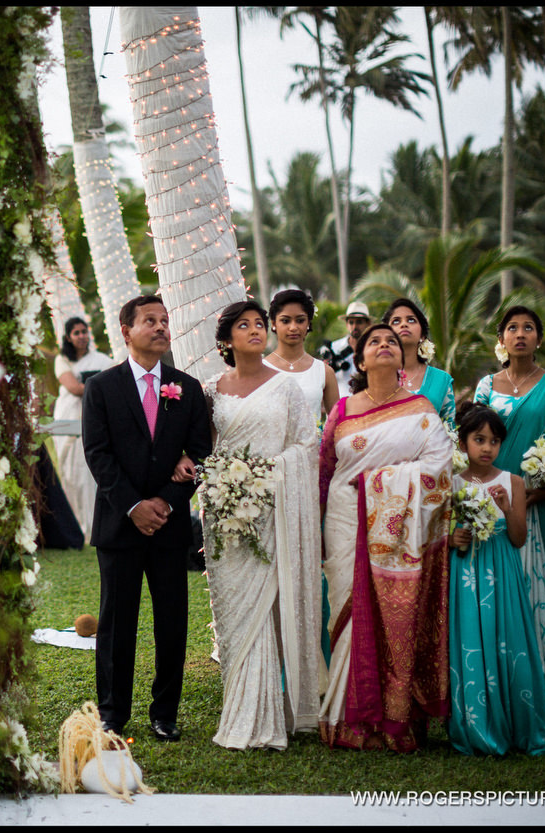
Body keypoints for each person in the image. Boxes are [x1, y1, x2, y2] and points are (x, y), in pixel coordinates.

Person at [318, 322, 454, 751]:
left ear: (402, 359)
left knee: (396, 616)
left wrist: (379, 485)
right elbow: (324, 472)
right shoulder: (342, 410)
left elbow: (440, 468)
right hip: (343, 521)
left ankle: (393, 719)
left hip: (398, 535)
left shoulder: (421, 410)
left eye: (391, 341)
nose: (383, 345)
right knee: (348, 613)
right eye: (374, 341)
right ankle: (346, 718)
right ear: (359, 359)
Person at [81, 295, 211, 741]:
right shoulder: (102, 388)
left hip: (170, 526)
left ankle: (165, 713)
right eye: (149, 321)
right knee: (117, 621)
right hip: (120, 525)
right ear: (126, 331)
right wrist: (135, 507)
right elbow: (98, 455)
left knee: (172, 620)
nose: (160, 327)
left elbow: (199, 452)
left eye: (164, 320)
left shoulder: (187, 388)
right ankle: (113, 713)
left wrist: (168, 502)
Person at [200, 301, 320, 750]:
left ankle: (275, 713)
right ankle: (242, 706)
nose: (254, 331)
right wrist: (222, 488)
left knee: (270, 608)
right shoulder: (210, 389)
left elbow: (307, 446)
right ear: (226, 340)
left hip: (276, 510)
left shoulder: (286, 389)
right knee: (235, 612)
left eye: (257, 324)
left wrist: (267, 475)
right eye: (242, 326)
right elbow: (205, 451)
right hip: (226, 515)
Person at [474, 305, 545, 705]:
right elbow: (475, 436)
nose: (520, 334)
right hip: (495, 500)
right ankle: (502, 672)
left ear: (539, 338)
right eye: (512, 328)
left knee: (544, 585)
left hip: (542, 501)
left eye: (529, 328)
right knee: (499, 583)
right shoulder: (486, 385)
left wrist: (542, 488)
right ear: (501, 339)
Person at [447, 401, 545, 755]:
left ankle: (519, 724)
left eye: (494, 441)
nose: (487, 448)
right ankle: (477, 723)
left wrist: (508, 509)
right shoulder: (451, 484)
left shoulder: (515, 482)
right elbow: (441, 534)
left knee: (507, 639)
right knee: (472, 640)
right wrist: (453, 538)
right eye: (479, 439)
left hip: (503, 571)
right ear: (464, 443)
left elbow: (519, 538)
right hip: (467, 574)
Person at [53, 317, 114, 539]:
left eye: (84, 332)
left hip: (94, 418)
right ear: (69, 337)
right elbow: (73, 387)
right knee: (70, 472)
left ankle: (93, 523)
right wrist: (95, 387)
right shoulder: (62, 360)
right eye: (76, 333)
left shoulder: (103, 360)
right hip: (68, 417)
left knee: (89, 472)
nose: (82, 336)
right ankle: (76, 524)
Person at [264, 288, 340, 422]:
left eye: (300, 320)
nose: (293, 327)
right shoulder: (261, 369)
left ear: (308, 323)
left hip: (312, 442)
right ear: (274, 323)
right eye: (285, 321)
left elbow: (337, 424)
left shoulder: (324, 372)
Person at [382, 297, 456, 429]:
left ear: (422, 335)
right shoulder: (375, 377)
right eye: (396, 321)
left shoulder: (441, 380)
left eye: (411, 320)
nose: (404, 324)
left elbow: (450, 432)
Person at [326, 301, 370, 393]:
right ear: (346, 324)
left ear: (367, 324)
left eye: (359, 322)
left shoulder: (374, 348)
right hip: (341, 402)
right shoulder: (334, 347)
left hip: (367, 402)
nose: (354, 326)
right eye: (351, 322)